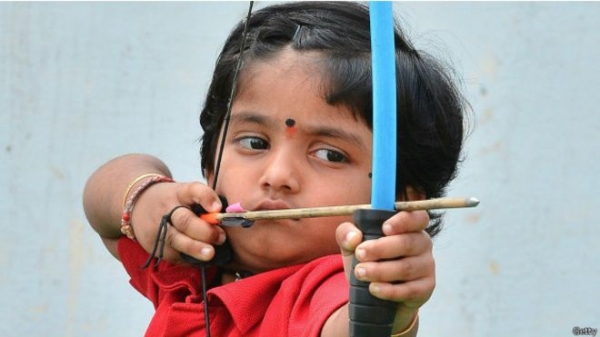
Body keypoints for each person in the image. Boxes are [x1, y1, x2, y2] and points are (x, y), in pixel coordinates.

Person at [83, 2, 467, 337]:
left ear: (402, 202)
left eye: (330, 155)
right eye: (254, 143)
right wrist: (145, 197)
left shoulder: (332, 288)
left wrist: (385, 300)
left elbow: (355, 326)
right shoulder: (192, 262)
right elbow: (103, 211)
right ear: (209, 164)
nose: (277, 174)